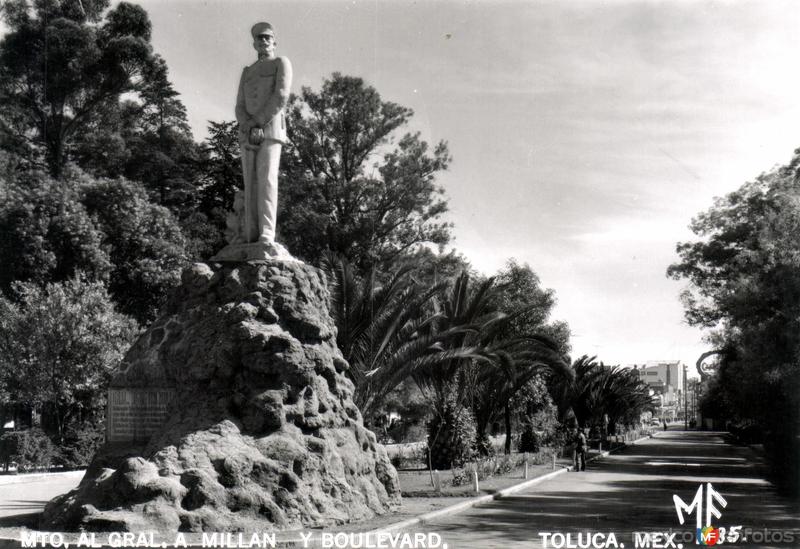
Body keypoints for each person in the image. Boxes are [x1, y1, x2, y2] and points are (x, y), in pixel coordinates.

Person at [235, 22, 293, 244]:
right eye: (259, 38)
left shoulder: (281, 63)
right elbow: (239, 104)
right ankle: (250, 234)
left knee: (267, 179)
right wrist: (247, 125)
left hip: (269, 129)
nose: (263, 41)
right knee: (250, 182)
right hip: (248, 132)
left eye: (267, 37)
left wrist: (258, 123)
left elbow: (281, 95)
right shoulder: (247, 72)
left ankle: (267, 232)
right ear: (254, 43)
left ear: (274, 42)